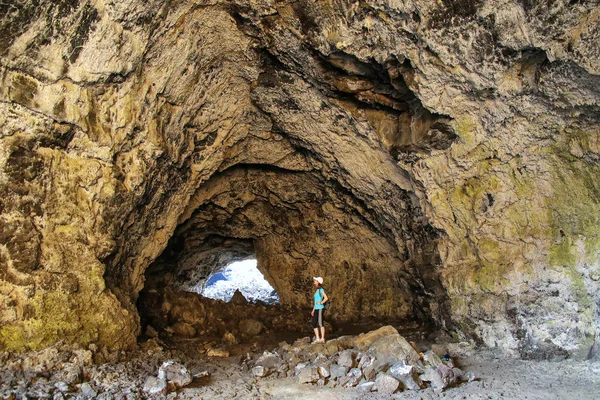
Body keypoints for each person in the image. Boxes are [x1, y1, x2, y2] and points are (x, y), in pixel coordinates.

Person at [311, 276, 328, 344]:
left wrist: (321, 303)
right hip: (316, 308)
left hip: (320, 308)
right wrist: (313, 310)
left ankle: (322, 338)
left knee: (320, 323)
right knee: (314, 323)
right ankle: (317, 338)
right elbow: (315, 301)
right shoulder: (317, 290)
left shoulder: (321, 290)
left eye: (315, 280)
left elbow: (326, 298)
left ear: (318, 282)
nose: (314, 281)